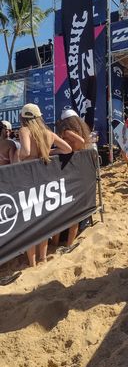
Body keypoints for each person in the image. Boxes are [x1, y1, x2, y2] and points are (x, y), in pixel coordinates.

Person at [19, 103, 72, 267]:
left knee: (29, 223)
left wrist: (18, 156)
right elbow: (68, 149)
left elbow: (26, 152)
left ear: (23, 117)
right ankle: (43, 258)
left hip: (28, 180)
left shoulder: (24, 131)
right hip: (45, 180)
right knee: (41, 222)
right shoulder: (48, 133)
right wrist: (48, 152)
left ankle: (33, 263)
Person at [54, 109, 92, 247]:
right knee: (74, 212)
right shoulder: (81, 129)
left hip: (71, 170)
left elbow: (80, 142)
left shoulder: (66, 131)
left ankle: (57, 243)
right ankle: (69, 244)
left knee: (64, 213)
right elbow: (83, 142)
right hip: (82, 170)